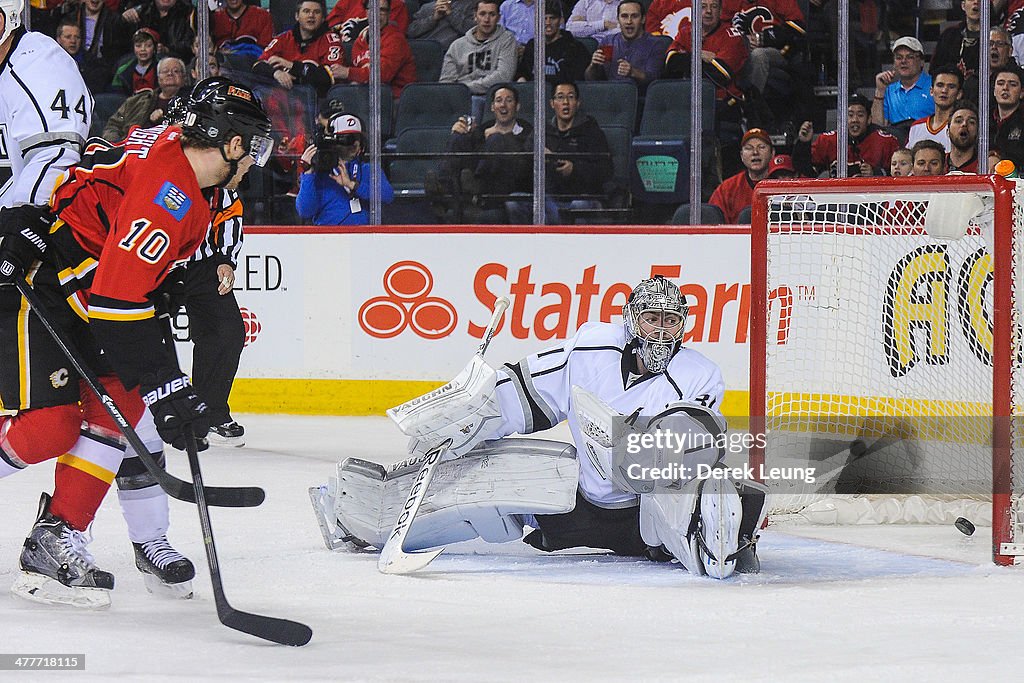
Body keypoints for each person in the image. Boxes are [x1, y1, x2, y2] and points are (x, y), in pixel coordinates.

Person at [312, 276, 769, 578]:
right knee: (487, 485)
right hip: (575, 505)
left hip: (643, 516)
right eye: (652, 318)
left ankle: (720, 542)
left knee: (696, 496)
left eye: (672, 321)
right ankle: (368, 521)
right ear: (632, 320)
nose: (662, 331)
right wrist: (473, 416)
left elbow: (688, 451)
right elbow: (526, 393)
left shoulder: (700, 375)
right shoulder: (591, 347)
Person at [426, 84, 533, 221]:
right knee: (458, 138)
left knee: (496, 140)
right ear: (492, 107)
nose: (503, 105)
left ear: (517, 106)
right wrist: (458, 131)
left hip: (507, 183)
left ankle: (478, 188)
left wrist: (502, 138)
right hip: (472, 182)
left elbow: (524, 163)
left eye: (509, 100)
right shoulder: (481, 130)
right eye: (499, 100)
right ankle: (443, 193)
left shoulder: (528, 131)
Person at [296, 112, 394, 224]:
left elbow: (388, 196)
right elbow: (305, 211)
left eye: (356, 138)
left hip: (364, 237)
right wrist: (308, 173)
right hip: (328, 238)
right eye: (346, 139)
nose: (353, 144)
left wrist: (351, 185)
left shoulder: (369, 170)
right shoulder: (319, 174)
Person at [439, 0, 519, 118]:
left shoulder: (507, 40)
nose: (487, 19)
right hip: (459, 97)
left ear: (498, 18)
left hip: (491, 96)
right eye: (482, 14)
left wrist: (465, 88)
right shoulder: (457, 45)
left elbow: (503, 76)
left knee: (475, 102)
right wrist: (460, 92)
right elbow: (446, 82)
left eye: (492, 15)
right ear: (475, 16)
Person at [794, 94, 899, 177]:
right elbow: (806, 171)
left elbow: (900, 172)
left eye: (860, 115)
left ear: (869, 119)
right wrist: (803, 143)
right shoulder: (828, 140)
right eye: (850, 115)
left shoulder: (885, 141)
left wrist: (876, 173)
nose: (855, 120)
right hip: (836, 200)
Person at [253, 0, 344, 96]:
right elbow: (258, 65)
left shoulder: (331, 41)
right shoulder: (283, 38)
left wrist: (292, 66)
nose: (311, 15)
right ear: (297, 16)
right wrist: (275, 73)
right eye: (306, 11)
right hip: (284, 98)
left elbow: (328, 77)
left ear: (322, 18)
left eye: (316, 12)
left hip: (317, 101)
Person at [331, 0, 417, 98]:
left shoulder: (395, 39)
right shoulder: (360, 40)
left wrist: (348, 73)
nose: (377, 14)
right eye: (372, 9)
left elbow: (382, 75)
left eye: (382, 10)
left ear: (389, 14)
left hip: (395, 99)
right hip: (367, 95)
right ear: (366, 12)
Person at [584, 0, 664, 91]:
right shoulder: (608, 41)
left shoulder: (655, 44)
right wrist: (593, 65)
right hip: (610, 96)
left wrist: (633, 72)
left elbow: (655, 80)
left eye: (634, 16)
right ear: (618, 19)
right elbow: (591, 79)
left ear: (643, 19)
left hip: (639, 99)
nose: (629, 21)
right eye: (624, 16)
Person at [103, 56, 187, 142]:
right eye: (165, 71)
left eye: (176, 71)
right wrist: (117, 145)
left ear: (184, 77)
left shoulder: (190, 104)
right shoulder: (136, 100)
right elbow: (113, 125)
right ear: (158, 78)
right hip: (131, 148)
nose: (170, 74)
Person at [708, 127, 773, 223]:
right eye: (749, 148)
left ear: (772, 153)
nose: (755, 152)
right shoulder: (727, 189)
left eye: (761, 147)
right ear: (742, 156)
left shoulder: (782, 185)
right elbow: (713, 222)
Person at [871, 37, 934, 134]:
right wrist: (880, 91)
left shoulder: (935, 85)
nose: (903, 61)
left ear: (921, 62)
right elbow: (878, 128)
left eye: (910, 57)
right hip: (897, 145)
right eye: (899, 57)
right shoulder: (888, 90)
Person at [515, 2, 590, 83]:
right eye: (544, 18)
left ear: (561, 20)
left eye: (552, 18)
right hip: (534, 93)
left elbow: (579, 80)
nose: (548, 23)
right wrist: (522, 82)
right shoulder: (532, 45)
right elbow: (522, 73)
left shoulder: (574, 47)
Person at [906, 68, 963, 152]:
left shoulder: (961, 128)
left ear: (959, 94)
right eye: (940, 85)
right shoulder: (916, 127)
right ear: (931, 91)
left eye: (951, 87)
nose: (944, 90)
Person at [122, 0, 196, 63]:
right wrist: (123, 19)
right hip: (144, 62)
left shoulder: (190, 13)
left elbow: (191, 46)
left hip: (179, 61)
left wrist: (167, 50)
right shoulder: (141, 12)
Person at [406, 0, 477, 52]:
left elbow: (474, 31)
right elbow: (411, 32)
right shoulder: (427, 7)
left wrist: (451, 14)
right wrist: (433, 18)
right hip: (423, 52)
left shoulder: (472, 5)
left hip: (451, 52)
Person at [992, 65, 1024, 168]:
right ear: (994, 90)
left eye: (1012, 84)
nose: (1005, 88)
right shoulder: (983, 121)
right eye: (1000, 83)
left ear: (1022, 93)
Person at [111, 27, 160, 95]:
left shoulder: (162, 69)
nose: (143, 49)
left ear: (155, 48)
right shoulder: (122, 70)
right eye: (138, 46)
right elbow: (116, 94)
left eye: (148, 46)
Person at [947, 101, 979, 172]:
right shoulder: (938, 164)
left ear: (977, 132)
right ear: (947, 131)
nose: (964, 124)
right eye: (958, 121)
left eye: (971, 122)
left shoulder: (984, 165)